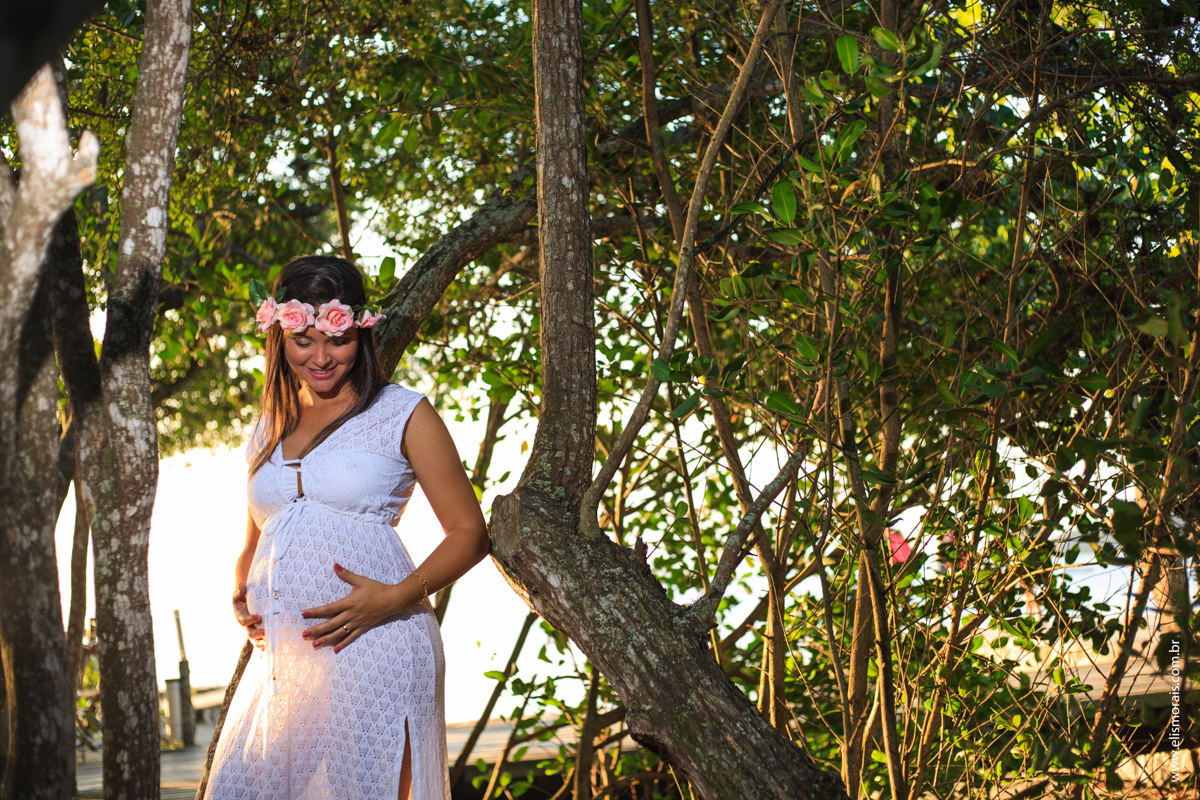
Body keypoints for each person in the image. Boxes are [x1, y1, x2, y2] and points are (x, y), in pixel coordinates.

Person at [203, 255, 490, 800]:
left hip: (379, 642)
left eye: (335, 339)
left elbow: (469, 534)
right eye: (303, 340)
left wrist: (392, 599)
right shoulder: (267, 426)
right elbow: (258, 536)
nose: (320, 357)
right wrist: (243, 591)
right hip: (287, 660)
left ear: (359, 332)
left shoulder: (404, 414)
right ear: (280, 336)